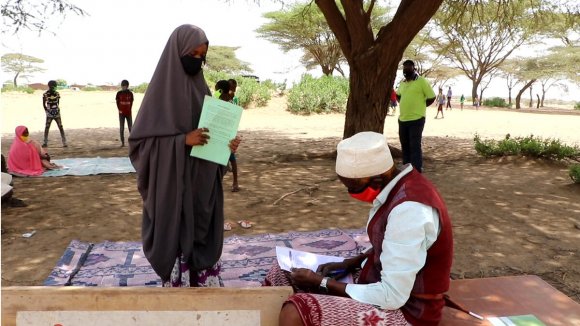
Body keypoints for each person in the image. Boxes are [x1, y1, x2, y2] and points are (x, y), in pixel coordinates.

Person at [264, 132, 453, 326]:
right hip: (376, 281)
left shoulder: (410, 209)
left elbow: (392, 296)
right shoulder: (397, 186)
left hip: (407, 311)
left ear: (377, 180)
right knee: (281, 272)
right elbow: (394, 245)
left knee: (296, 311)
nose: (351, 194)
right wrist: (352, 262)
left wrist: (321, 282)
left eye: (353, 187)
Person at [128, 24, 241, 287]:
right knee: (177, 233)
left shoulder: (202, 90)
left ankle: (203, 283)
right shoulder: (159, 95)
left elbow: (211, 134)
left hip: (200, 183)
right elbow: (140, 146)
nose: (198, 61)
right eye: (193, 54)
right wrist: (181, 141)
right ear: (177, 51)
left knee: (202, 231)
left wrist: (227, 146)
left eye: (202, 56)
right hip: (172, 187)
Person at [396, 60, 436, 173]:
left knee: (415, 145)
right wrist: (405, 103)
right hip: (403, 119)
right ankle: (406, 168)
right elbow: (398, 96)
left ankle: (416, 170)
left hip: (417, 119)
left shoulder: (421, 81)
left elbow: (432, 97)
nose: (406, 69)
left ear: (414, 68)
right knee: (405, 144)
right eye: (404, 67)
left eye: (409, 66)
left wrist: (421, 107)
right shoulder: (403, 83)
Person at [214, 80, 240, 192]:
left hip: (222, 133)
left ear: (219, 90)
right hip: (227, 133)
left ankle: (234, 182)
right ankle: (235, 182)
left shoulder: (218, 101)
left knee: (227, 158)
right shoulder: (230, 102)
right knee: (230, 159)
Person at [42, 80, 67, 148]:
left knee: (60, 127)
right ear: (50, 86)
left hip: (55, 112)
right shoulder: (45, 94)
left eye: (54, 86)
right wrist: (47, 111)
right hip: (51, 112)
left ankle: (64, 142)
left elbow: (57, 103)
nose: (54, 87)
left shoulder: (57, 94)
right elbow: (44, 104)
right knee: (48, 127)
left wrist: (49, 110)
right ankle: (45, 142)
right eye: (53, 86)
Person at [115, 80, 134, 147]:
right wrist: (120, 110)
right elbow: (117, 103)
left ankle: (132, 142)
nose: (123, 87)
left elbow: (131, 102)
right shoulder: (119, 93)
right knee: (121, 128)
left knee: (130, 128)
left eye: (125, 86)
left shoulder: (130, 94)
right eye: (122, 86)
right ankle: (122, 143)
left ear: (127, 86)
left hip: (129, 113)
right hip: (121, 114)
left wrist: (129, 109)